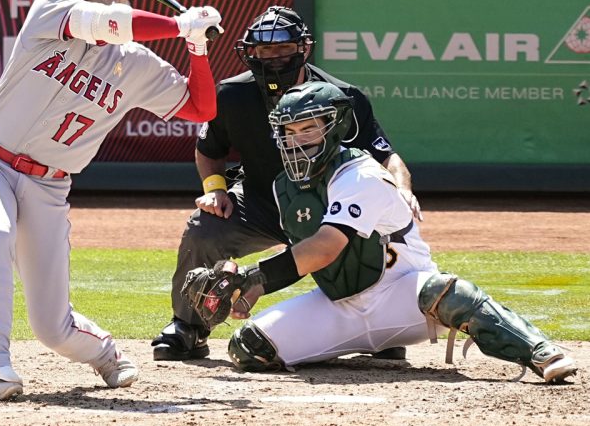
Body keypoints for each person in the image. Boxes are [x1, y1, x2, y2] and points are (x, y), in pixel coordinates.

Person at [0, 0, 223, 401]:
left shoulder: (137, 63)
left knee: (52, 327)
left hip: (48, 185)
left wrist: (196, 47)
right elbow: (108, 25)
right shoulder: (52, 11)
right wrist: (180, 23)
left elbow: (200, 108)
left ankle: (105, 353)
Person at [194, 81, 577, 385]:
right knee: (249, 348)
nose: (298, 141)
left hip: (404, 297)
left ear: (337, 126)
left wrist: (255, 276)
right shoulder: (284, 187)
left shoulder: (360, 174)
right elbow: (305, 255)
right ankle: (351, 346)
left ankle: (540, 350)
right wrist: (249, 292)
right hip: (338, 303)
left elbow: (325, 248)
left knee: (448, 291)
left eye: (309, 129)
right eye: (289, 132)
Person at [152, 6, 420, 361]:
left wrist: (403, 189)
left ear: (302, 48)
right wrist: (214, 189)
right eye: (264, 51)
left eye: (282, 49)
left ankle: (382, 326)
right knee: (205, 228)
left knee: (367, 231)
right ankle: (188, 327)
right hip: (261, 200)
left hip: (328, 208)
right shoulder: (232, 95)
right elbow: (208, 150)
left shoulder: (344, 97)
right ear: (250, 53)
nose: (273, 59)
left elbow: (388, 157)